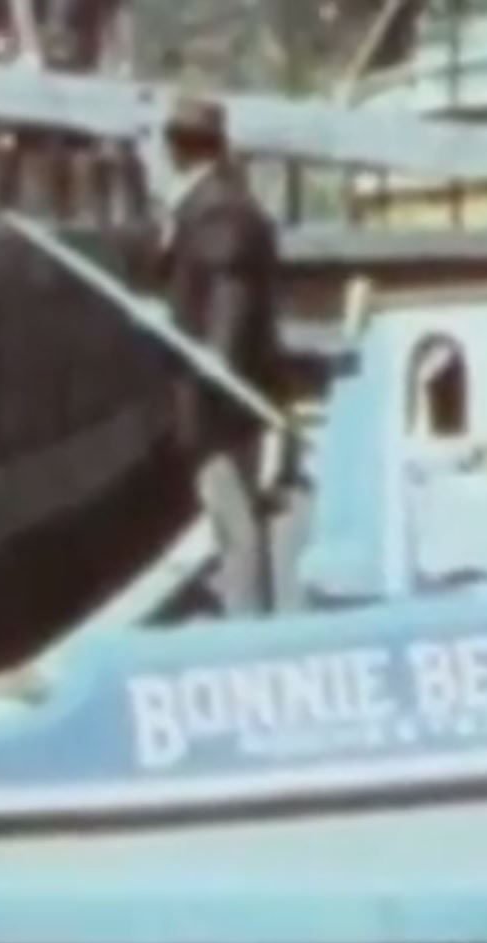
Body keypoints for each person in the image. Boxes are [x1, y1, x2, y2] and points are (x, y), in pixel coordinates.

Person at [148, 98, 287, 617]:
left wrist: (216, 377)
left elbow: (230, 302)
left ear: (175, 150)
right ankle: (245, 616)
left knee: (234, 519)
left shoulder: (218, 212)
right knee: (231, 517)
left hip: (218, 402)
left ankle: (247, 630)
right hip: (220, 396)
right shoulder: (212, 207)